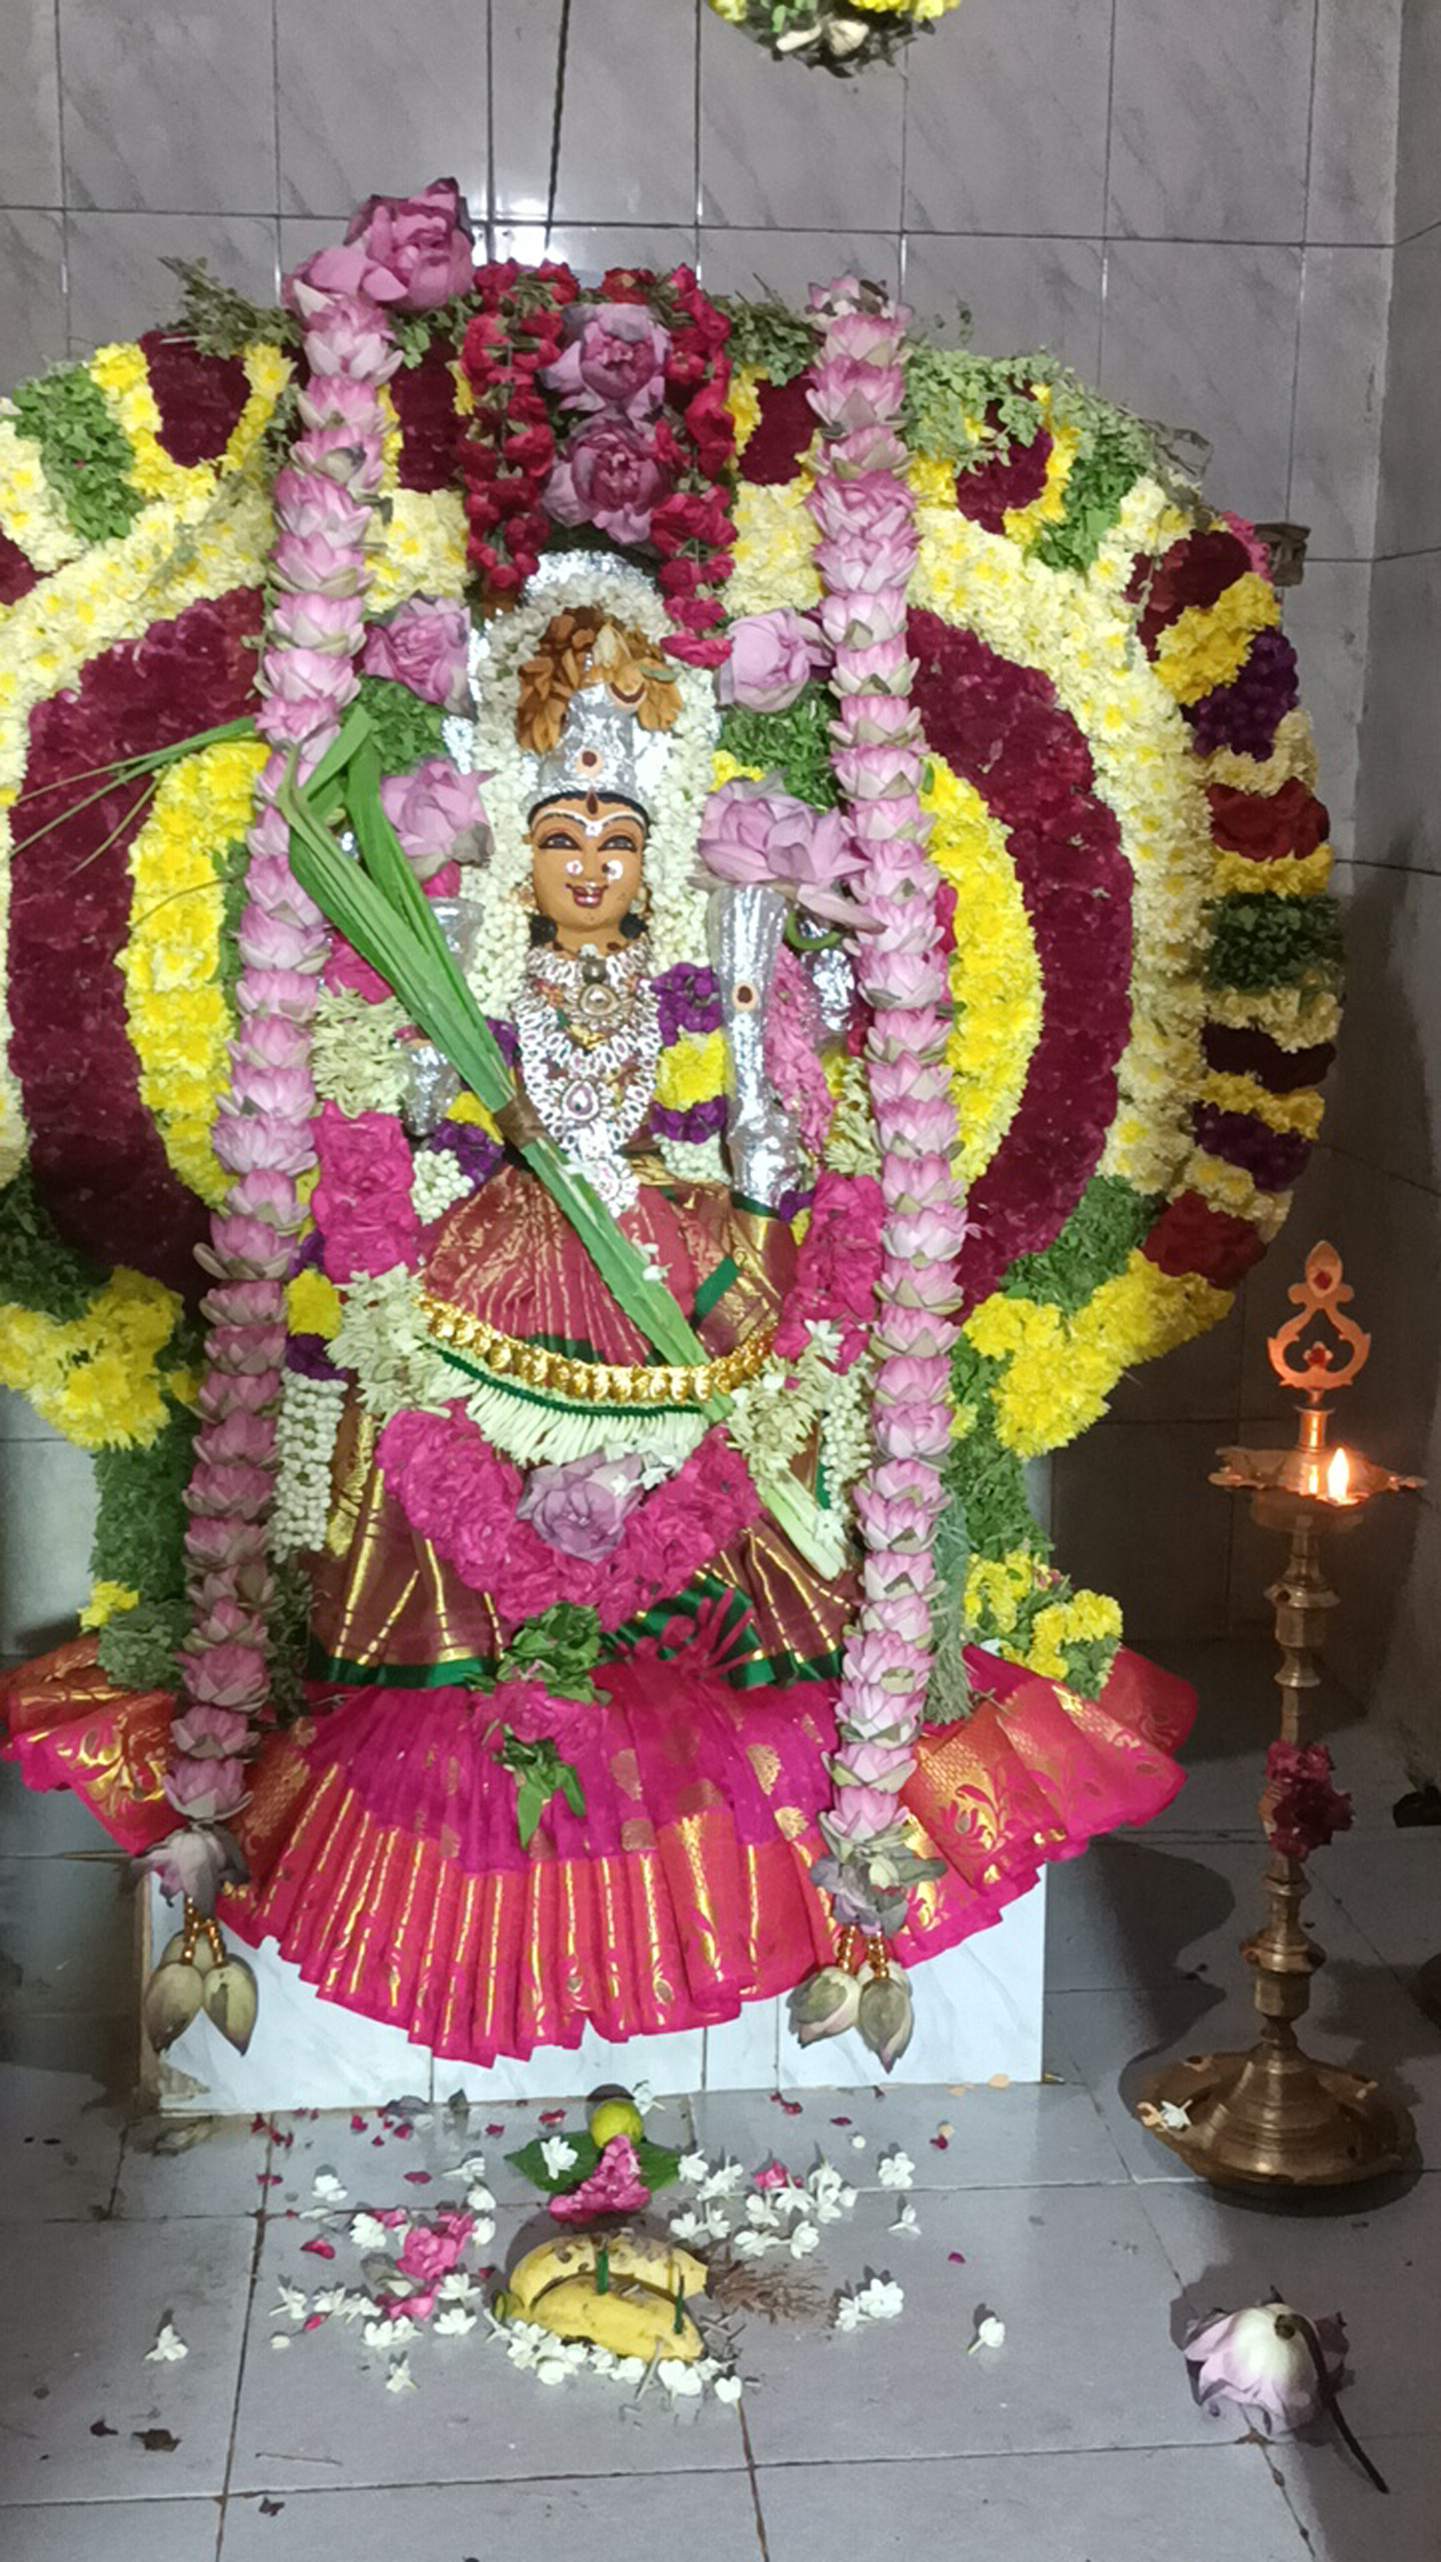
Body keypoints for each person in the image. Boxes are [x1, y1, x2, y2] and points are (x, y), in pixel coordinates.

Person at [3, 568, 1193, 2070]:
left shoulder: (710, 960)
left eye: (617, 840)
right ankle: (467, 1697)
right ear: (521, 849)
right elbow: (401, 1117)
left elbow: (778, 1120)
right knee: (402, 1418)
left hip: (680, 1262)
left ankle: (752, 1740)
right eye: (560, 837)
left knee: (762, 1436)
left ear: (654, 853)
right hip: (491, 1263)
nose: (588, 865)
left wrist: (800, 984)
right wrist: (408, 1033)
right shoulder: (468, 963)